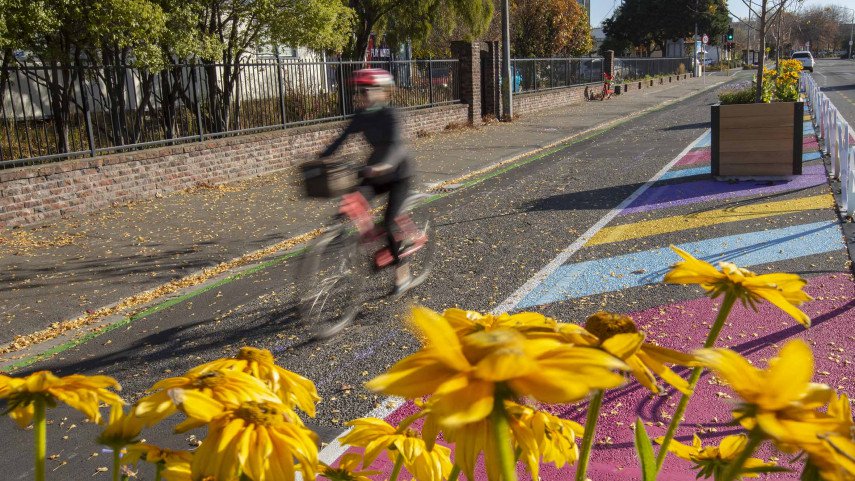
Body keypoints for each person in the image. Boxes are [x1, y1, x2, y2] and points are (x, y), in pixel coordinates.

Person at [319, 68, 414, 296]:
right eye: (359, 91)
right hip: (373, 173)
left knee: (389, 222)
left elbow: (395, 146)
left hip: (397, 174)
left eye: (366, 90)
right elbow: (340, 140)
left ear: (383, 92)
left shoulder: (391, 115)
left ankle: (403, 272)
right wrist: (320, 158)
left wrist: (384, 166)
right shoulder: (362, 115)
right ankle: (346, 245)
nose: (361, 95)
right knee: (350, 203)